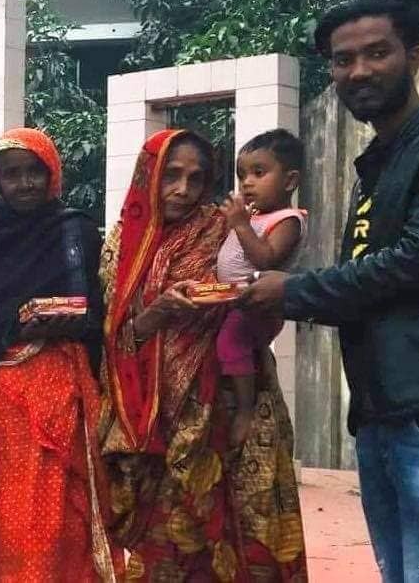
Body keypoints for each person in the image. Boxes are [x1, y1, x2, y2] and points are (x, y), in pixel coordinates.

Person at [242, 0, 419, 583]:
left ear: (413, 55)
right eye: (343, 61)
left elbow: (417, 263)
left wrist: (294, 292)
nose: (358, 71)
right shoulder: (379, 163)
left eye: (376, 53)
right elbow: (370, 279)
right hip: (383, 406)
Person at [100, 128, 307, 579]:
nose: (183, 189)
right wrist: (158, 313)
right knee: (167, 546)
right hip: (156, 418)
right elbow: (113, 338)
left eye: (196, 178)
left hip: (232, 403)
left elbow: (266, 272)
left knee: (250, 532)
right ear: (148, 176)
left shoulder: (224, 227)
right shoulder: (121, 243)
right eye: (171, 175)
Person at [0, 127, 118, 581]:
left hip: (61, 383)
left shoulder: (75, 228)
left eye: (34, 172)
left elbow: (98, 305)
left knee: (58, 505)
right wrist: (14, 325)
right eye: (12, 175)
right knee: (2, 508)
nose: (25, 184)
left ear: (52, 173)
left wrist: (69, 321)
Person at [215, 130, 306, 446]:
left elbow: (265, 258)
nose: (247, 183)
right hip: (234, 301)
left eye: (258, 172)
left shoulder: (288, 220)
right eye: (242, 175)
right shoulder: (254, 216)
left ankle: (245, 410)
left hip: (258, 305)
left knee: (230, 342)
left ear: (290, 181)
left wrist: (240, 225)